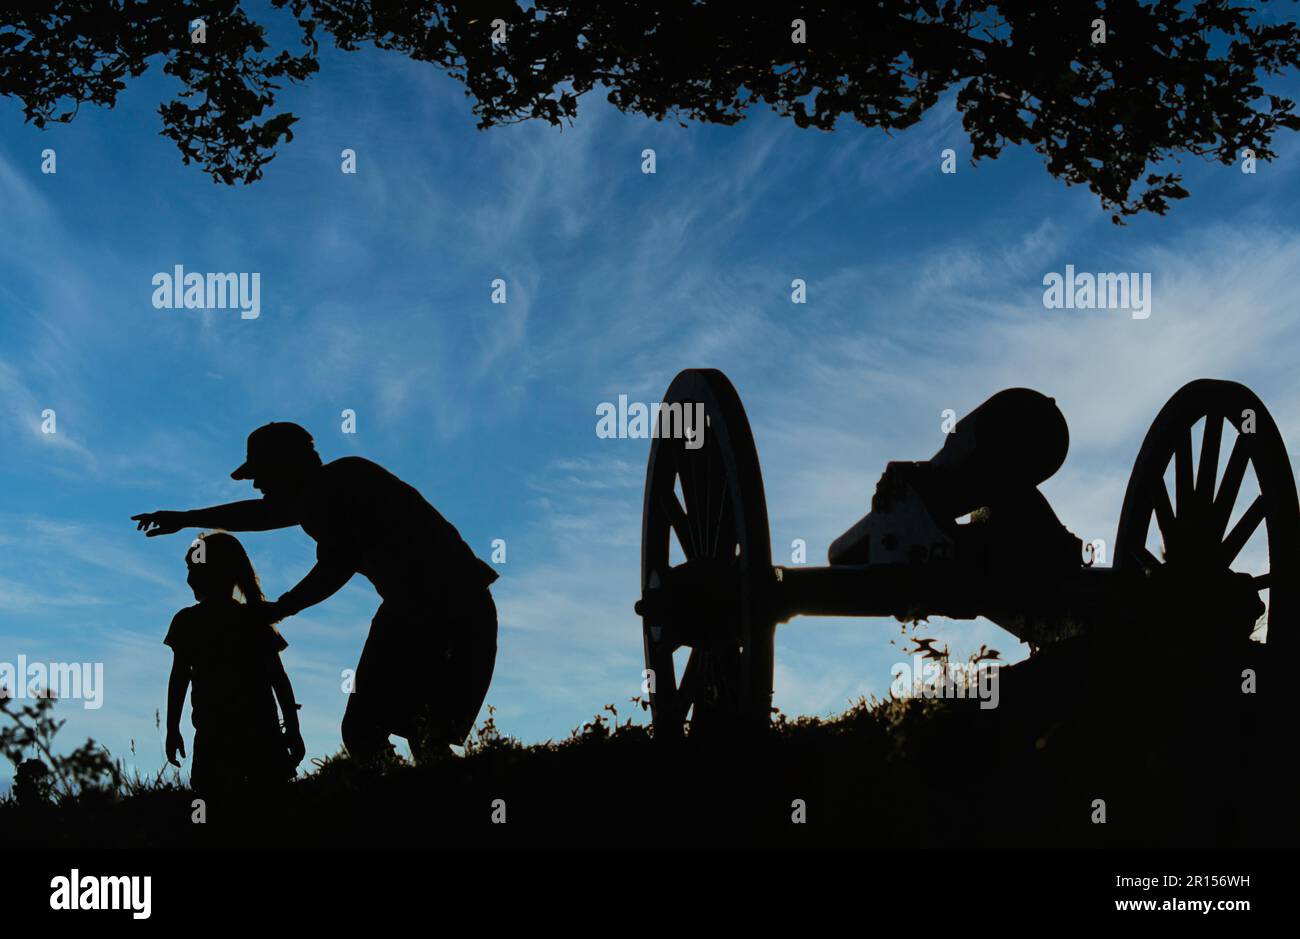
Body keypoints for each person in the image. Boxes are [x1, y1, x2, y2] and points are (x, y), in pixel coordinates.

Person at [135, 422, 499, 764]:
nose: (256, 484)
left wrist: (283, 607)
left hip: (448, 611)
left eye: (260, 474)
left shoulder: (344, 482)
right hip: (422, 609)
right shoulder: (325, 491)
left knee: (393, 732)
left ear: (285, 466)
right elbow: (263, 514)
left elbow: (337, 562)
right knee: (383, 732)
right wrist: (184, 518)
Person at [164, 531, 305, 793]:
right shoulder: (252, 619)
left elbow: (179, 678)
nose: (189, 577)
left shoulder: (189, 622)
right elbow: (279, 678)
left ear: (217, 573)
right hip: (255, 736)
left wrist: (173, 729)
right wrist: (293, 729)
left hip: (222, 738)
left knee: (218, 818)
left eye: (194, 569)